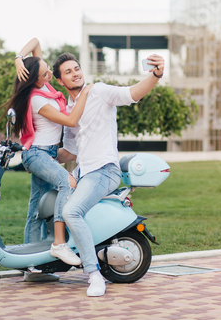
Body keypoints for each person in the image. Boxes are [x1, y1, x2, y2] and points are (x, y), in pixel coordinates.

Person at [54, 52, 165, 296]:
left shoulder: (99, 92)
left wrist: (156, 75)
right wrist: (38, 155)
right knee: (48, 201)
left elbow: (132, 94)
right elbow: (70, 152)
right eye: (69, 71)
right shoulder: (70, 111)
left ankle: (94, 275)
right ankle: (41, 266)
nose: (76, 73)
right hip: (83, 172)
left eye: (77, 68)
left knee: (71, 211)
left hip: (104, 170)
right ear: (60, 82)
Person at [0, 38, 93, 281]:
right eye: (45, 72)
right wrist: (88, 91)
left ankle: (31, 265)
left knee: (36, 207)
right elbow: (71, 120)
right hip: (37, 154)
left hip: (49, 153)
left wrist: (19, 57)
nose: (50, 72)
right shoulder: (37, 99)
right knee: (66, 183)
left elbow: (36, 42)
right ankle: (59, 244)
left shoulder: (45, 88)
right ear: (35, 80)